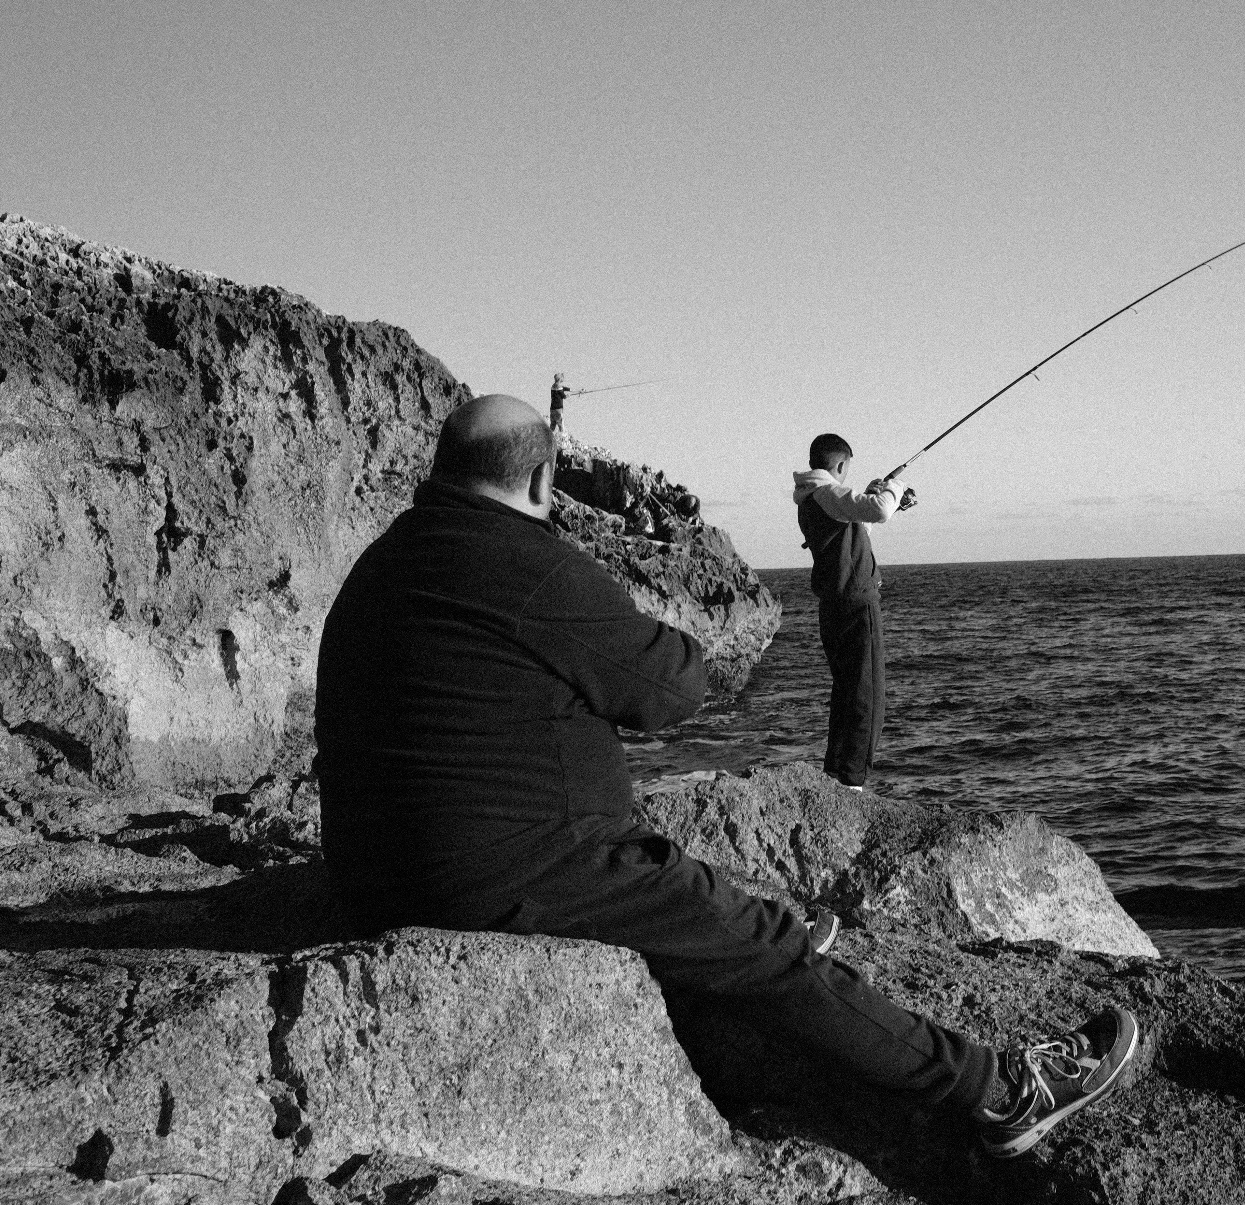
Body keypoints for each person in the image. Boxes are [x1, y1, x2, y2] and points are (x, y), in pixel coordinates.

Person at [313, 395, 1135, 1159]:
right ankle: (998, 1091)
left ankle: (741, 928)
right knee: (768, 950)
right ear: (538, 479)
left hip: (371, 874)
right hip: (511, 873)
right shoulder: (530, 566)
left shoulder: (377, 566)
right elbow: (671, 688)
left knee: (693, 884)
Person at [792, 434, 913, 790]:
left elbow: (854, 529)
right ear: (841, 465)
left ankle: (836, 772)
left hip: (833, 605)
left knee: (846, 691)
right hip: (858, 602)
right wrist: (894, 487)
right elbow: (879, 510)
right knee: (868, 696)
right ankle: (852, 780)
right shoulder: (829, 492)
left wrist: (876, 497)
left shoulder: (811, 498)